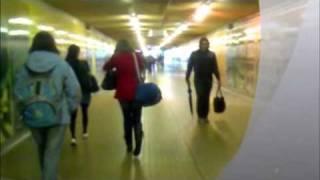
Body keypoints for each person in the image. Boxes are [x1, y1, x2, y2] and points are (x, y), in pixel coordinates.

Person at [14, 31, 81, 180]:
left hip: (32, 114)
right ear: (52, 45)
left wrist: (24, 110)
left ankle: (48, 175)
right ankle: (49, 177)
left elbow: (17, 91)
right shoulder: (61, 64)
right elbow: (75, 90)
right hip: (58, 116)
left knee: (42, 149)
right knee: (52, 152)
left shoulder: (24, 65)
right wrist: (68, 108)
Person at [103, 39, 145, 156]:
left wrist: (116, 71)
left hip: (122, 92)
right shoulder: (136, 56)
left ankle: (129, 145)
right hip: (137, 91)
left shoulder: (116, 57)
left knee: (127, 119)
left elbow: (105, 67)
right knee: (137, 118)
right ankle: (138, 141)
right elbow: (142, 67)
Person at [185, 37, 221, 123]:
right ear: (199, 45)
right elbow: (189, 66)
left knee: (206, 98)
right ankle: (200, 116)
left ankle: (205, 116)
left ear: (208, 45)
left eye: (206, 44)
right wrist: (187, 77)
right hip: (198, 80)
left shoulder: (212, 54)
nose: (205, 45)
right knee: (200, 97)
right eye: (203, 44)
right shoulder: (194, 54)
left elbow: (215, 68)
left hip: (208, 80)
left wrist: (219, 79)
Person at [66, 44, 92, 145]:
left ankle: (73, 137)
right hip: (84, 90)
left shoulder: (66, 64)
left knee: (73, 115)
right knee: (85, 112)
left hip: (72, 91)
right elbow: (88, 75)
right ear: (77, 53)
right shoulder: (83, 63)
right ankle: (85, 132)